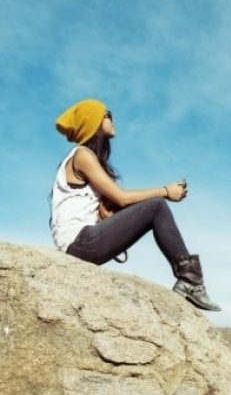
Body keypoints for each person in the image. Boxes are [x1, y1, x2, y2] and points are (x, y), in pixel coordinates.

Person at [48, 99, 221, 311]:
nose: (112, 119)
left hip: (81, 244)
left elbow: (109, 206)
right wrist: (166, 191)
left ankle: (190, 280)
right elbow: (122, 197)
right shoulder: (82, 155)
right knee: (157, 206)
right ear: (93, 122)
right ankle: (191, 281)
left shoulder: (84, 157)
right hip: (80, 243)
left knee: (152, 207)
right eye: (107, 114)